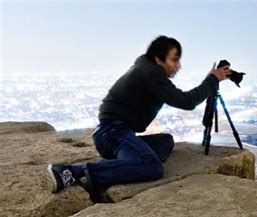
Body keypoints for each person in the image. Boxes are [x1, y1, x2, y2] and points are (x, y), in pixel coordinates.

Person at [47, 35, 231, 202]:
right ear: (159, 59)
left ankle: (125, 165)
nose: (178, 65)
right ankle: (74, 172)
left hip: (116, 133)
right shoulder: (150, 74)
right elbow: (187, 101)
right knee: (153, 167)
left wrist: (210, 80)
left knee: (166, 141)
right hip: (113, 134)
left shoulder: (146, 68)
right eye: (174, 60)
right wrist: (212, 80)